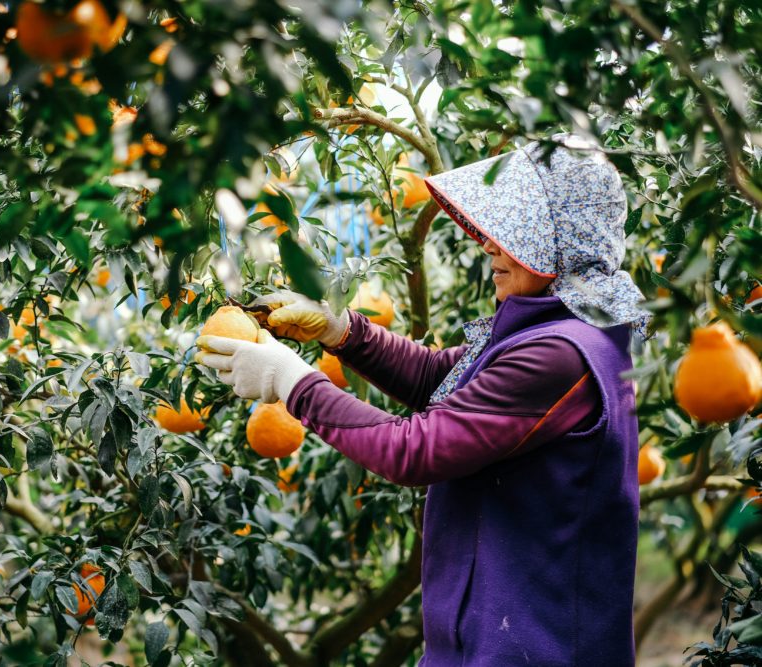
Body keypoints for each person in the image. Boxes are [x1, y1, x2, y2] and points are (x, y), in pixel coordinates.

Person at [195, 136, 649, 666]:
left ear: (556, 241)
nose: (489, 246)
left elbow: (416, 451)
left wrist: (291, 382)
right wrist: (344, 332)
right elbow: (447, 377)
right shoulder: (555, 330)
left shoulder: (564, 354)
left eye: (512, 233)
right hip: (496, 639)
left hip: (532, 648)